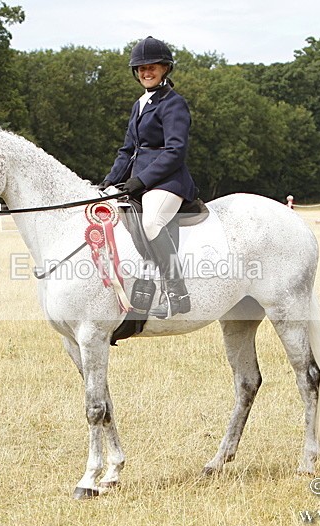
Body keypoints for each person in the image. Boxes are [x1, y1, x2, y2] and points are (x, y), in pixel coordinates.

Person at [100, 36, 196, 318]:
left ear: (165, 68)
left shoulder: (174, 104)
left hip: (167, 180)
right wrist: (108, 183)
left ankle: (177, 291)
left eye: (152, 67)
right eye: (141, 68)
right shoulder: (139, 104)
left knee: (152, 222)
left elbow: (176, 151)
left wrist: (140, 180)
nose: (146, 72)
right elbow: (127, 150)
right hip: (138, 180)